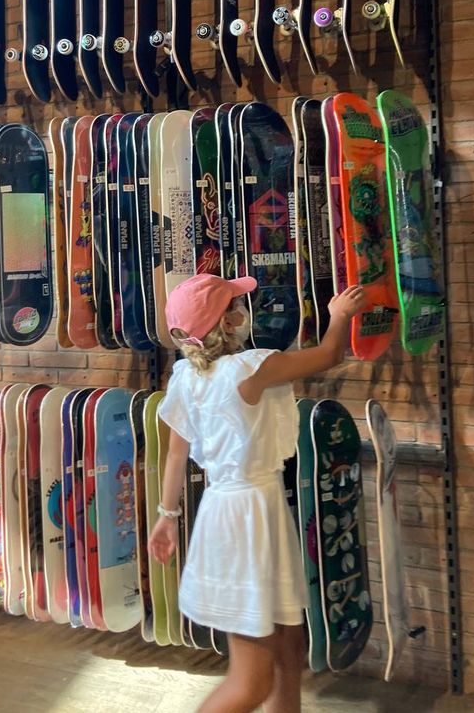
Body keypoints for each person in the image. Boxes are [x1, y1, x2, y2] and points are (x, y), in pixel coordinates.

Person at [148, 273, 367, 713]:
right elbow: (327, 354)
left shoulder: (187, 378)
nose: (242, 312)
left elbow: (175, 454)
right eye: (234, 305)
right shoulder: (250, 368)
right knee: (252, 682)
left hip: (229, 511)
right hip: (247, 518)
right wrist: (339, 315)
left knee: (288, 648)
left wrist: (166, 516)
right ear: (226, 322)